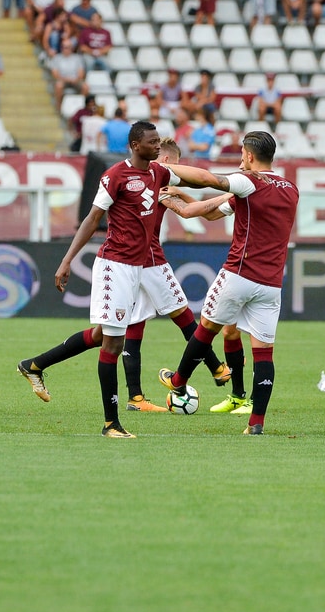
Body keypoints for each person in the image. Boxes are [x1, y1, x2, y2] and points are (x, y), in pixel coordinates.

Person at [17, 122, 173, 438]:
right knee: (114, 342)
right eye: (152, 141)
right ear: (135, 145)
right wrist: (66, 260)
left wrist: (230, 182)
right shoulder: (115, 176)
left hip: (135, 268)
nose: (158, 145)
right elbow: (92, 219)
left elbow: (195, 178)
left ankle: (34, 365)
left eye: (159, 141)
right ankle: (111, 423)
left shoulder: (158, 173)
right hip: (114, 266)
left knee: (103, 335)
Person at [158, 131, 300, 436]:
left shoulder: (248, 182)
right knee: (264, 353)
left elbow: (207, 179)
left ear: (249, 156)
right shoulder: (291, 188)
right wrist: (178, 199)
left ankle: (179, 380)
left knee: (205, 328)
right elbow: (210, 213)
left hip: (239, 273)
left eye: (241, 155)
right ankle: (256, 423)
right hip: (271, 284)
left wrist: (163, 169)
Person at [117, 137, 231, 412]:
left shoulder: (134, 178)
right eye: (178, 167)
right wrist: (230, 195)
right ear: (167, 161)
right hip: (150, 258)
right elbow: (188, 212)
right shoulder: (158, 181)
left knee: (135, 324)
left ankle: (135, 399)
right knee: (184, 315)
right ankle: (217, 368)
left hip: (129, 259)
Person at [51, 39, 86, 109]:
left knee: (85, 87)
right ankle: (59, 106)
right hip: (62, 80)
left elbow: (81, 73)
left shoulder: (77, 58)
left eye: (68, 47)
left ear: (72, 48)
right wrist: (65, 79)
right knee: (58, 86)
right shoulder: (57, 58)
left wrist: (76, 79)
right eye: (64, 47)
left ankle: (81, 105)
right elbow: (55, 74)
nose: (66, 49)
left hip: (75, 80)